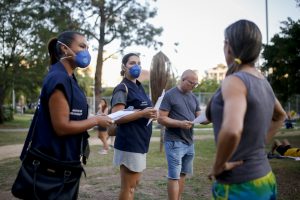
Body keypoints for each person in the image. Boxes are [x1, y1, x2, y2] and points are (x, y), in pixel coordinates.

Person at [19, 31, 113, 199]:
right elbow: (61, 127)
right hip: (52, 166)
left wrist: (92, 116)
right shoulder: (58, 78)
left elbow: (72, 117)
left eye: (87, 47)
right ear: (65, 48)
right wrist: (96, 120)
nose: (86, 52)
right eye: (82, 46)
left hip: (66, 162)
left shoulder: (70, 79)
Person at [205, 19, 286, 199]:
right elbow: (280, 116)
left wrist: (219, 166)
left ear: (228, 46)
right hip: (265, 179)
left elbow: (232, 130)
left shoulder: (235, 81)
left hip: (239, 186)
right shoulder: (262, 81)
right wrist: (258, 143)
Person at [110, 53, 157, 200]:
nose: (136, 66)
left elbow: (141, 110)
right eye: (132, 63)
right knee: (129, 187)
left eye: (139, 62)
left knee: (134, 184)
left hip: (140, 141)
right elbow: (116, 116)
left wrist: (150, 114)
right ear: (124, 67)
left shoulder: (139, 87)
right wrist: (142, 114)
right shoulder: (122, 88)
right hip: (130, 142)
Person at [158, 69, 201, 200]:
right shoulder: (170, 95)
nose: (193, 86)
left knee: (182, 174)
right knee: (174, 176)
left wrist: (212, 115)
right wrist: (180, 124)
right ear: (182, 79)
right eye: (191, 83)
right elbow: (161, 118)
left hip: (189, 142)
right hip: (174, 142)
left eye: (195, 84)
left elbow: (200, 118)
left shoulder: (193, 97)